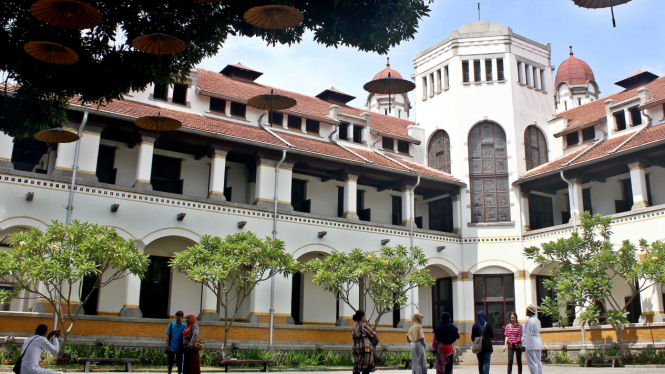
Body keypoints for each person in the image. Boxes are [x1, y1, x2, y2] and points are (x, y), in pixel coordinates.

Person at [351, 310, 378, 374]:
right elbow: (374, 335)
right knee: (366, 366)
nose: (365, 317)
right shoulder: (364, 326)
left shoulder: (354, 326)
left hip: (356, 347)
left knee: (357, 365)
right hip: (365, 348)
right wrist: (376, 342)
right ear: (362, 317)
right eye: (365, 315)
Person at [522, 305, 543, 374]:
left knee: (532, 364)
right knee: (538, 362)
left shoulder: (530, 321)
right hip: (538, 343)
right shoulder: (537, 320)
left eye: (527, 310)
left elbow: (528, 334)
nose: (526, 312)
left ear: (530, 311)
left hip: (531, 344)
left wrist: (524, 344)